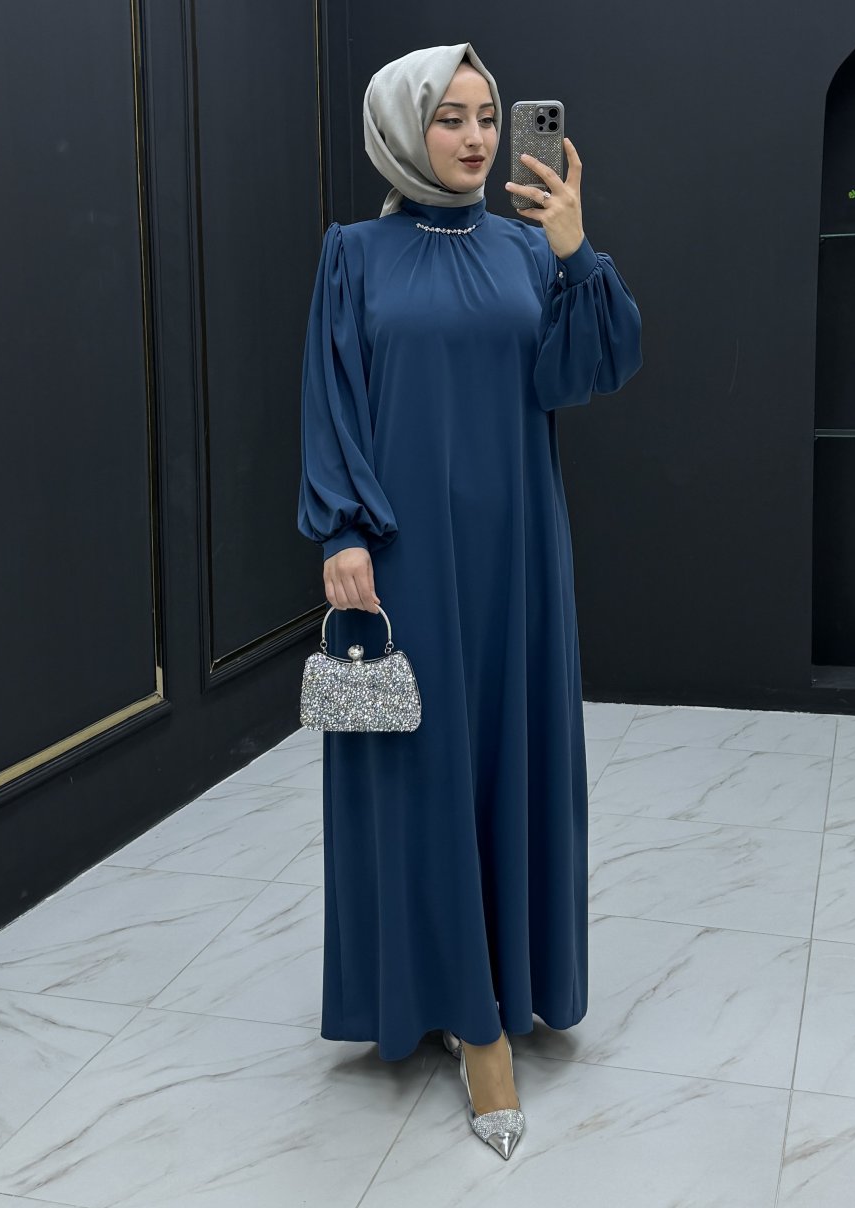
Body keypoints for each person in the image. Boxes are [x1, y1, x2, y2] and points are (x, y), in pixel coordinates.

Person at [297, 42, 642, 1160]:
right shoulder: (354, 254)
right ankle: (461, 1015)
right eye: (448, 116)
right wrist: (342, 528)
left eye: (487, 114)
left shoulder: (526, 248)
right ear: (403, 127)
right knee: (420, 771)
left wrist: (574, 249)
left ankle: (507, 986)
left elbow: (587, 371)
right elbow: (332, 392)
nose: (477, 136)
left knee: (508, 753)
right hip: (406, 556)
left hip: (518, 553)